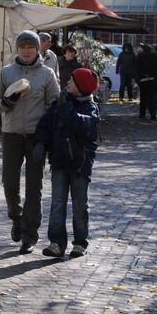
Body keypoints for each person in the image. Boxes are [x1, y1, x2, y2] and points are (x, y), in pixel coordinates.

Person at [0, 30, 61, 254]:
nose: (27, 51)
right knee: (9, 182)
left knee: (34, 186)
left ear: (38, 48)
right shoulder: (6, 72)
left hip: (36, 136)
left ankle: (30, 234)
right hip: (12, 133)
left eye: (30, 47)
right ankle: (16, 216)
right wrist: (6, 102)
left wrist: (48, 135)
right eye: (22, 47)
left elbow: (54, 106)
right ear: (17, 49)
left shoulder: (47, 74)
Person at [35, 68, 99, 259]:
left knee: (80, 205)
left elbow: (79, 125)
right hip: (60, 162)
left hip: (80, 164)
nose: (67, 83)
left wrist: (65, 107)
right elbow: (46, 124)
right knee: (57, 203)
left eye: (71, 81)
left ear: (80, 87)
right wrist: (40, 142)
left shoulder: (90, 108)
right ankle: (56, 243)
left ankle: (80, 242)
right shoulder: (60, 104)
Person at [135, 44, 157, 121]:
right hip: (152, 80)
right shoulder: (154, 57)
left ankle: (142, 114)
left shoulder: (139, 57)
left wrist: (141, 75)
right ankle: (152, 114)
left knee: (143, 98)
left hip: (142, 80)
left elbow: (136, 68)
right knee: (151, 98)